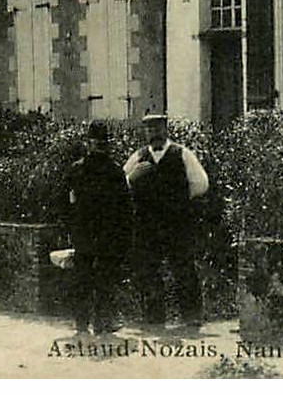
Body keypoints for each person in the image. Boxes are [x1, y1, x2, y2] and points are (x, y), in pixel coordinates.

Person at [123, 112, 209, 330]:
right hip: (147, 225)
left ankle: (191, 317)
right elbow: (121, 186)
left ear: (166, 129)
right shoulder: (138, 157)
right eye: (150, 129)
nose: (154, 133)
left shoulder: (182, 154)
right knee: (148, 271)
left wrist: (177, 201)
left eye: (158, 128)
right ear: (145, 132)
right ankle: (154, 318)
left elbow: (200, 184)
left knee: (184, 268)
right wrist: (132, 177)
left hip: (176, 224)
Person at [63, 120, 134, 334]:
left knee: (87, 279)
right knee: (102, 279)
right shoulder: (112, 171)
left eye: (101, 143)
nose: (100, 147)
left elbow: (63, 202)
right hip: (103, 234)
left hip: (88, 233)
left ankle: (85, 323)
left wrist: (70, 227)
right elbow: (125, 208)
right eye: (98, 143)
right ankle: (98, 323)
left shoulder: (80, 169)